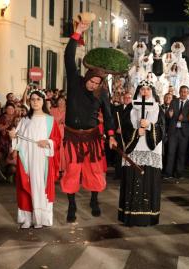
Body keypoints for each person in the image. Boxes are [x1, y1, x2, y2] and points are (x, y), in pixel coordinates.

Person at [61, 19, 117, 223]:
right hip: (73, 136)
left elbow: (109, 116)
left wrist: (111, 136)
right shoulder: (75, 83)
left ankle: (94, 200)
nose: (94, 85)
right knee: (72, 171)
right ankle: (72, 205)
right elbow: (68, 57)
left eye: (97, 83)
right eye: (92, 81)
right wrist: (77, 33)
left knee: (94, 170)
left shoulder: (102, 93)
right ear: (87, 78)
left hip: (93, 137)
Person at [9, 90, 61, 229]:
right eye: (32, 99)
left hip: (42, 159)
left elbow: (57, 140)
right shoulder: (25, 120)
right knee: (26, 186)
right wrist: (13, 136)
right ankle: (27, 218)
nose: (35, 102)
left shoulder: (50, 120)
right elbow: (18, 139)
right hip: (27, 159)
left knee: (40, 186)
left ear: (43, 101)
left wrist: (48, 142)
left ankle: (40, 218)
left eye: (38, 99)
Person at [118, 80, 165, 226]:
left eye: (148, 89)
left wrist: (150, 126)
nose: (145, 92)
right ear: (138, 91)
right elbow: (124, 128)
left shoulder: (158, 108)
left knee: (149, 180)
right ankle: (130, 216)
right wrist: (136, 132)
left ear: (152, 91)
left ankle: (149, 216)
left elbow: (162, 129)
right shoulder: (131, 107)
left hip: (151, 150)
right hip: (135, 149)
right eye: (142, 89)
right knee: (132, 179)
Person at [164, 85, 189, 179]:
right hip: (173, 131)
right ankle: (168, 173)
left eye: (185, 92)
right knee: (171, 153)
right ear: (179, 92)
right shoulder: (173, 101)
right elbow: (168, 114)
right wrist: (169, 114)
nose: (183, 93)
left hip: (184, 132)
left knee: (181, 153)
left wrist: (184, 119)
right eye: (182, 91)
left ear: (188, 93)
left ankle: (179, 173)